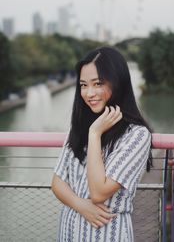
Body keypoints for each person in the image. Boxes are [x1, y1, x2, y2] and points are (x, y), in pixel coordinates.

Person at [51, 46, 152, 242]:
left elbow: (99, 192)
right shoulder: (79, 128)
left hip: (106, 234)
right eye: (83, 85)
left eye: (98, 83)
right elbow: (57, 182)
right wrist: (81, 205)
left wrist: (95, 133)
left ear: (118, 82)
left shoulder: (137, 135)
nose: (89, 93)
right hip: (68, 232)